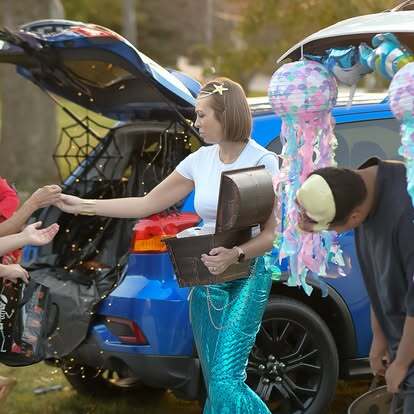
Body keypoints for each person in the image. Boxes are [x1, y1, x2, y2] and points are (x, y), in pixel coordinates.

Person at [54, 77, 279, 413]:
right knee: (215, 382)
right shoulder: (199, 160)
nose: (196, 123)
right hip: (205, 278)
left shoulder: (263, 160)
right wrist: (83, 205)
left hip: (247, 276)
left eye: (202, 115)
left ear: (226, 115)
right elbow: (146, 204)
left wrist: (235, 253)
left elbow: (272, 234)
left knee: (226, 379)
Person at [295, 157, 414, 413]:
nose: (337, 233)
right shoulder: (360, 189)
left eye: (334, 228)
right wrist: (379, 337)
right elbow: (377, 277)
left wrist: (403, 363)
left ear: (355, 215)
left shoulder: (406, 210)